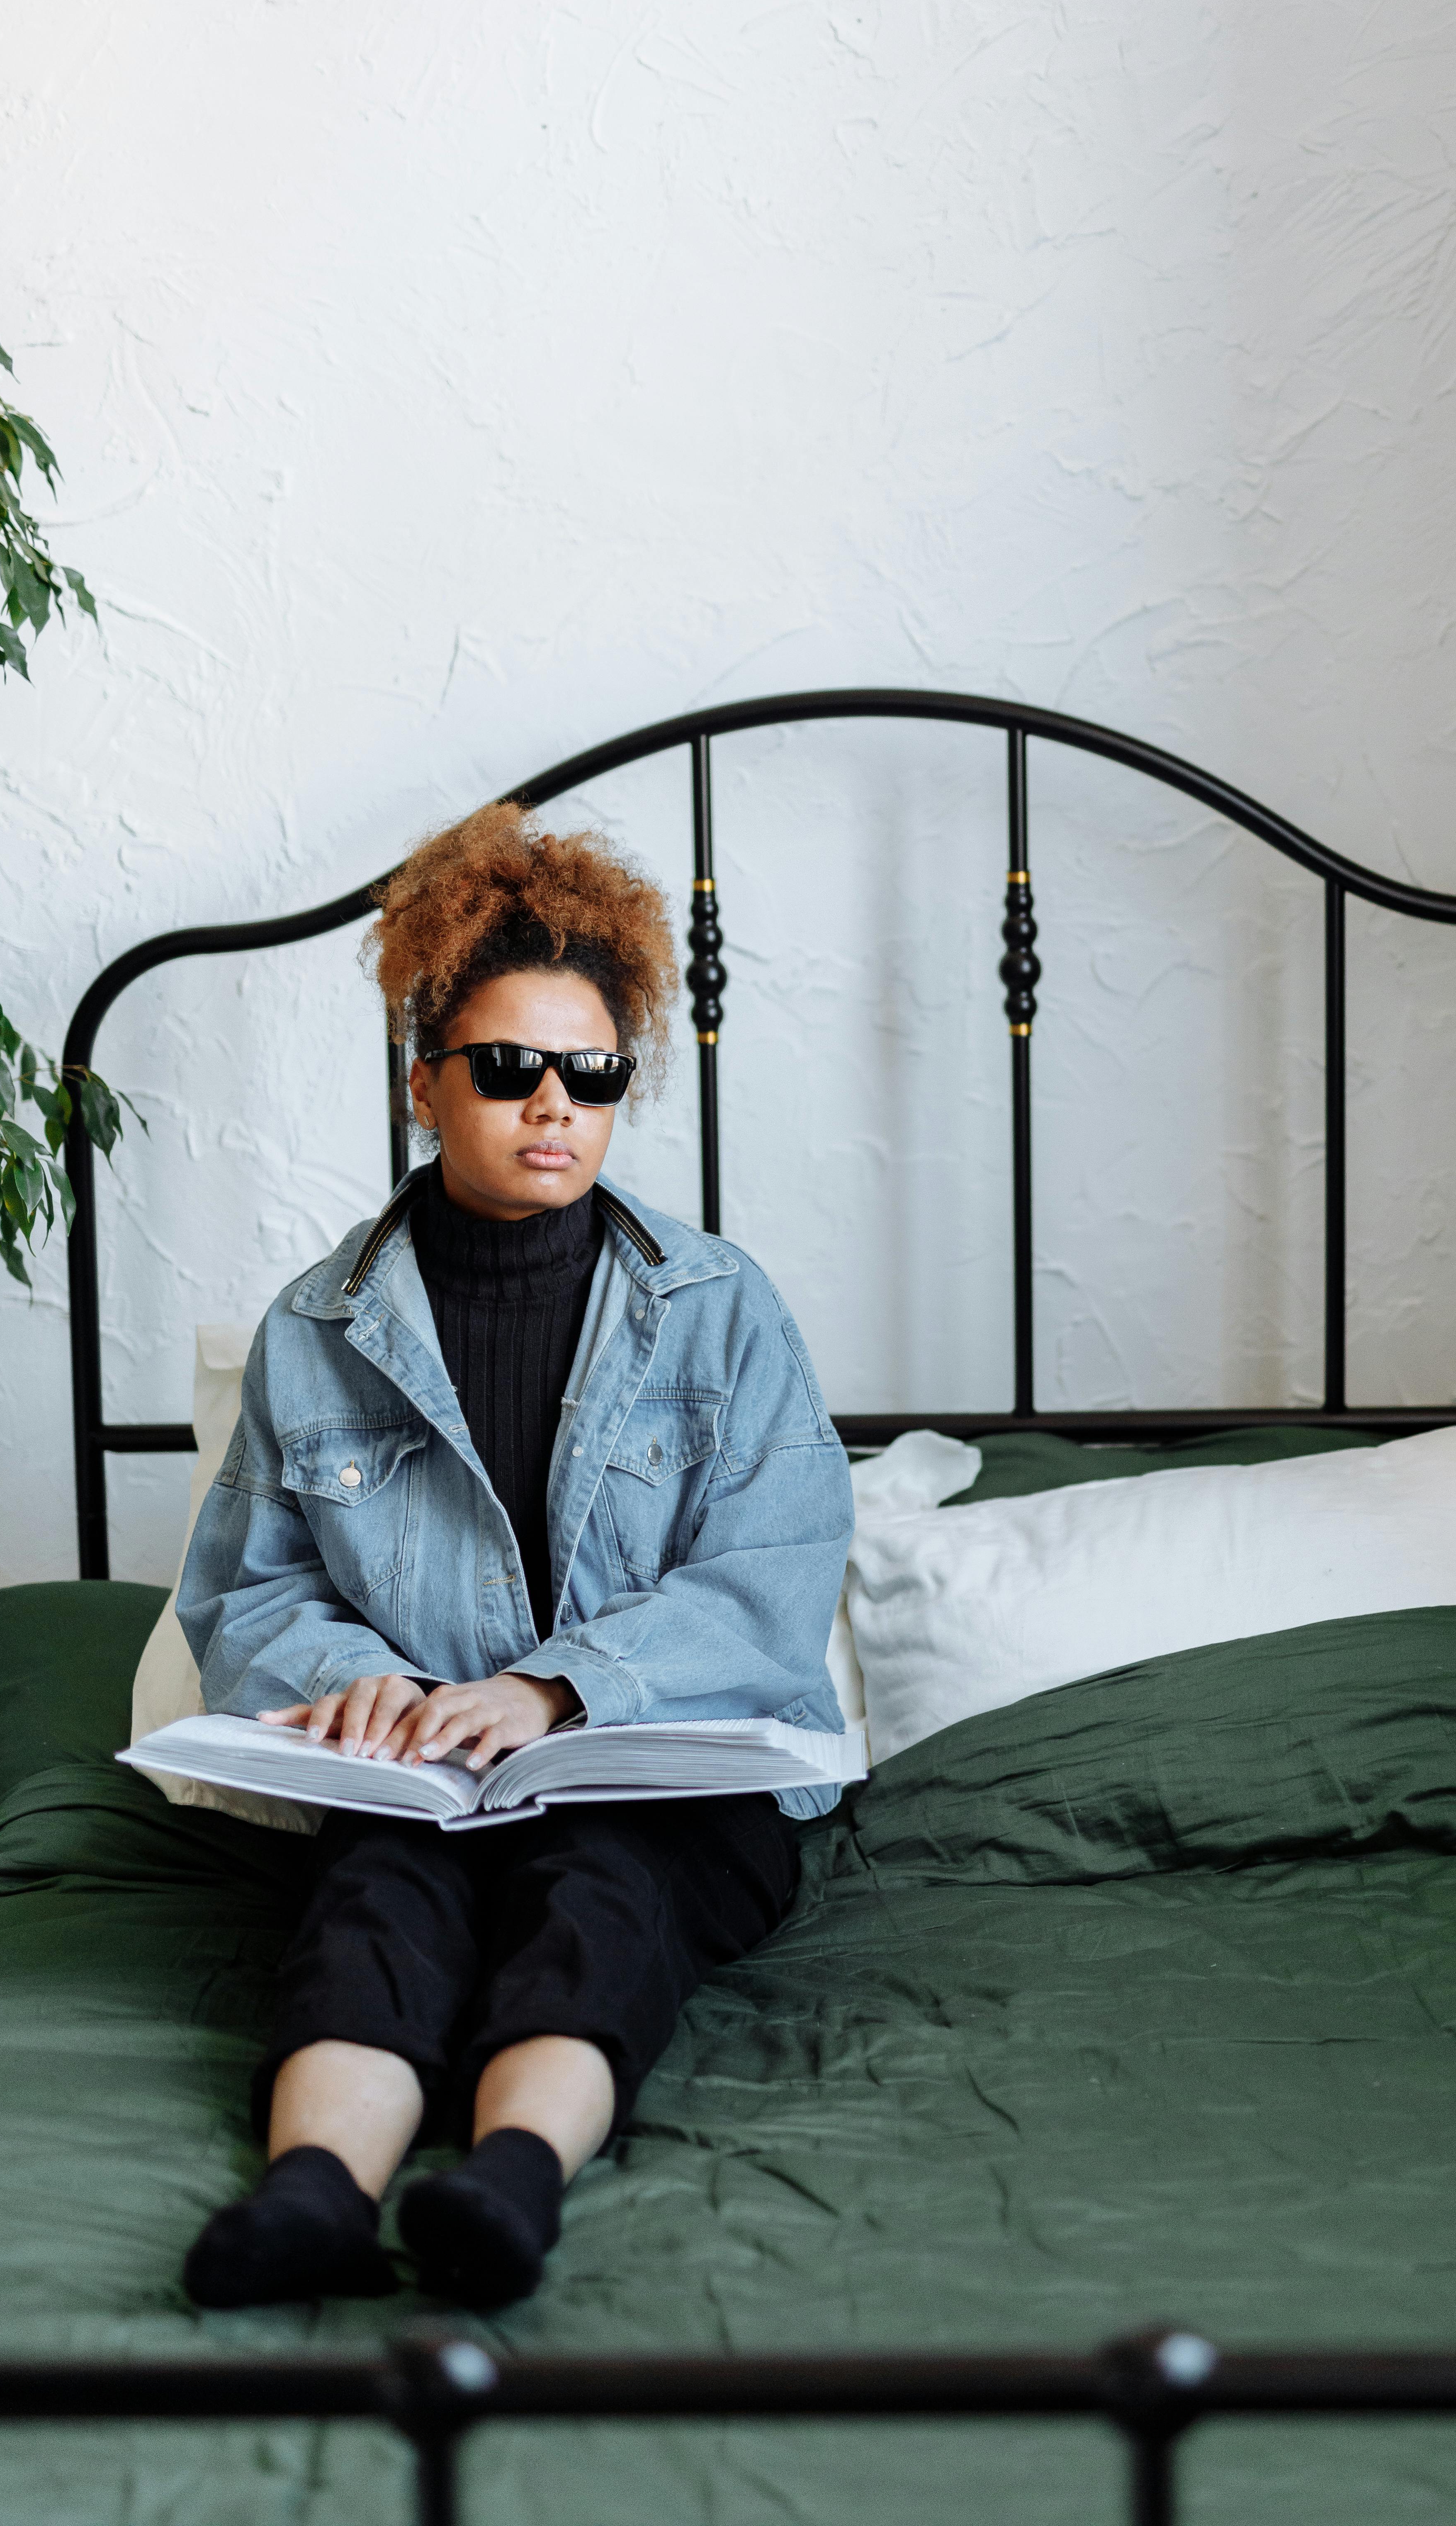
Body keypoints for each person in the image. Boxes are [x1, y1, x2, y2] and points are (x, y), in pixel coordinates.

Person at [177, 802, 853, 2310]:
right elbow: (248, 1586)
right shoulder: (318, 1328)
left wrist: (558, 1693)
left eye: (593, 1074)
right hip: (425, 1776)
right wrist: (356, 1682)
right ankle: (311, 2194)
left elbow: (773, 1582)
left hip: (670, 1778)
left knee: (602, 1881)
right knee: (377, 1889)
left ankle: (510, 2180)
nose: (554, 1105)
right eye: (506, 1068)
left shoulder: (722, 1309)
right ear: (425, 1083)